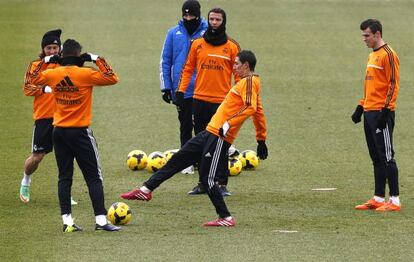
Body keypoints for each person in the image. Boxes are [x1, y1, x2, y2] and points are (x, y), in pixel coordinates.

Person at [121, 50, 268, 227]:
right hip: (210, 132)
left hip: (220, 136)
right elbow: (258, 112)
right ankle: (146, 190)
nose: (233, 66)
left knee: (207, 179)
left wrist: (229, 123)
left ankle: (226, 218)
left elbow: (251, 108)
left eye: (236, 63)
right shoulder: (247, 83)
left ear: (246, 65)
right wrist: (261, 139)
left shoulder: (250, 82)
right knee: (180, 158)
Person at [28, 39, 121, 232]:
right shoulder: (86, 74)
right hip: (80, 132)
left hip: (59, 131)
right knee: (93, 177)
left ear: (61, 55)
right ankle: (101, 221)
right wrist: (96, 58)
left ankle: (67, 222)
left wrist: (46, 60)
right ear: (80, 55)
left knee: (64, 177)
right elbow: (112, 77)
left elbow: (33, 78)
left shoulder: (53, 74)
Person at [176, 7, 241, 195]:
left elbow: (238, 76)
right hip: (199, 100)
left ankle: (221, 184)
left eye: (218, 20)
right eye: (212, 19)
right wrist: (181, 91)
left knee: (221, 143)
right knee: (202, 145)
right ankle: (203, 183)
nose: (214, 22)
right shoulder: (197, 44)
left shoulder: (231, 46)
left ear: (223, 22)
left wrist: (237, 99)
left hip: (222, 103)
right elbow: (188, 68)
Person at [21, 29, 78, 206]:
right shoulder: (36, 66)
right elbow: (27, 88)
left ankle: (65, 194)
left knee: (66, 157)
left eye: (54, 47)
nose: (52, 51)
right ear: (43, 50)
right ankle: (26, 181)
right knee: (37, 157)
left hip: (64, 118)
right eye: (48, 48)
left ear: (60, 48)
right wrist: (44, 89)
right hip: (44, 118)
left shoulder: (65, 65)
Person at [352, 19, 401, 212]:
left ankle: (395, 200)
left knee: (387, 156)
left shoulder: (388, 55)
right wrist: (360, 106)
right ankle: (379, 197)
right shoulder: (372, 56)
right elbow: (371, 85)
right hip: (369, 112)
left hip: (381, 113)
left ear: (377, 34)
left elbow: (393, 84)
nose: (364, 39)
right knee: (376, 157)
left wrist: (386, 110)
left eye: (367, 35)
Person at [160, 0, 208, 175]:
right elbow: (165, 60)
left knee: (203, 127)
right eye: (185, 15)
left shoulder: (208, 31)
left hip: (204, 88)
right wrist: (166, 87)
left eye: (192, 15)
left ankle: (204, 160)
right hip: (182, 89)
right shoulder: (173, 33)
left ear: (198, 14)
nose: (188, 18)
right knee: (185, 125)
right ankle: (186, 162)